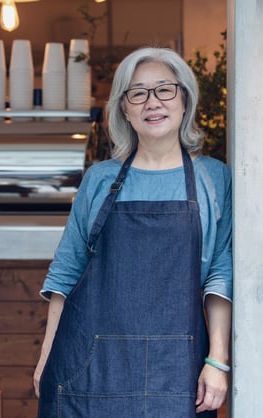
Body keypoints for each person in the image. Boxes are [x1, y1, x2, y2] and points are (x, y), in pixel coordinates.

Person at [33, 46, 233, 418]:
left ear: (185, 98)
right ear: (124, 108)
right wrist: (47, 356)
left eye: (164, 89)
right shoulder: (100, 179)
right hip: (90, 370)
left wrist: (217, 361)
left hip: (179, 373)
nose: (152, 102)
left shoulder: (214, 178)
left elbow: (220, 273)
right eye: (137, 93)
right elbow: (66, 272)